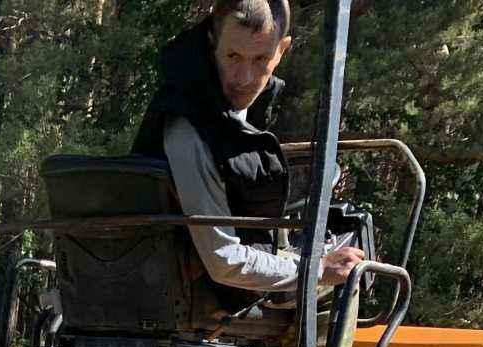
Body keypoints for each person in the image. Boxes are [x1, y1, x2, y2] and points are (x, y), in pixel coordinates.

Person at [131, 0, 365, 309]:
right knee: (354, 275)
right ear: (212, 43)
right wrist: (317, 269)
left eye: (260, 59)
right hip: (197, 290)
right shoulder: (188, 126)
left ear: (282, 50)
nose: (243, 77)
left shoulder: (222, 112)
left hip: (197, 277)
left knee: (349, 239)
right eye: (232, 56)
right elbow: (223, 260)